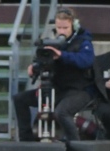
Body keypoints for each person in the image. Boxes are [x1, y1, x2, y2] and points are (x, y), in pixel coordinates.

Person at [12, 8, 96, 143]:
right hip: (57, 89)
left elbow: (86, 61)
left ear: (73, 25)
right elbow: (44, 62)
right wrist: (34, 68)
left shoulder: (83, 42)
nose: (61, 31)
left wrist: (62, 55)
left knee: (62, 112)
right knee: (20, 99)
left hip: (80, 90)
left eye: (65, 27)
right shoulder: (52, 43)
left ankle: (76, 146)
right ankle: (26, 141)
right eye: (59, 27)